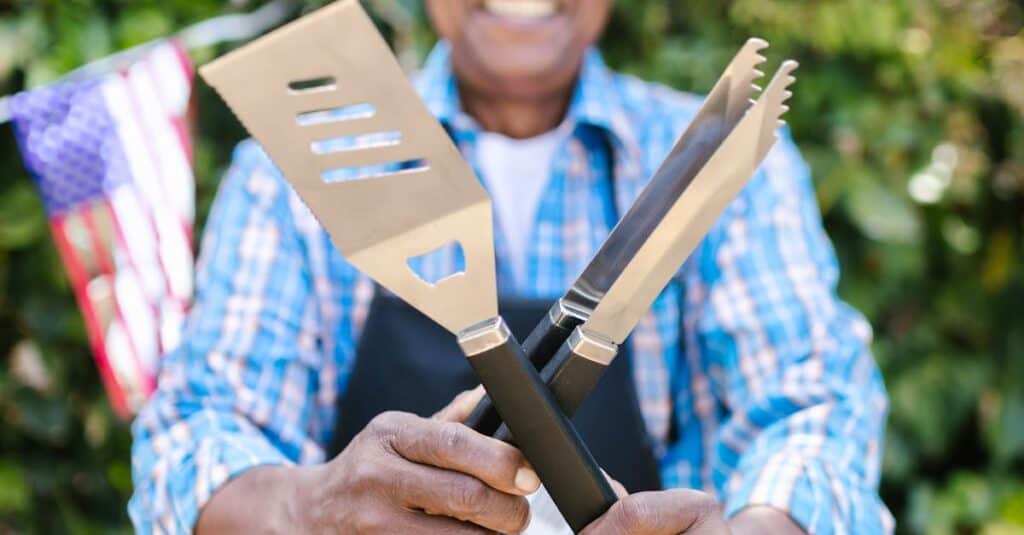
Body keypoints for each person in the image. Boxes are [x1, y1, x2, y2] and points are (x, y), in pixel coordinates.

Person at [129, 1, 892, 533]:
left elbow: (812, 407)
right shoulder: (287, 176)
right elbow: (196, 431)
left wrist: (756, 529)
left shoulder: (720, 163)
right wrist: (307, 509)